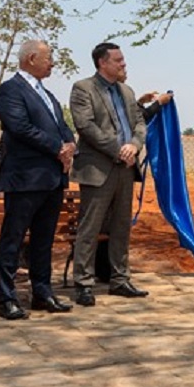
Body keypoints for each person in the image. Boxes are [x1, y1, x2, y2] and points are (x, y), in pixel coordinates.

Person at [0, 39, 76, 320]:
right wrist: (57, 148)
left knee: (43, 240)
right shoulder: (10, 90)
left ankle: (42, 293)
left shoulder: (48, 95)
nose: (52, 63)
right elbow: (20, 127)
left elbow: (63, 126)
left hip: (52, 179)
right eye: (48, 58)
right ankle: (7, 299)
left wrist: (70, 145)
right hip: (25, 178)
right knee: (13, 239)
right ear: (31, 59)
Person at [70, 42, 149, 306]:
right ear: (103, 63)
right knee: (89, 229)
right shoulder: (83, 88)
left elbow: (139, 123)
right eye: (119, 60)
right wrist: (119, 150)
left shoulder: (127, 91)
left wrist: (134, 146)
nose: (123, 64)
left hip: (126, 169)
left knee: (121, 227)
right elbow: (85, 126)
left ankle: (120, 280)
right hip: (98, 169)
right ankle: (83, 283)